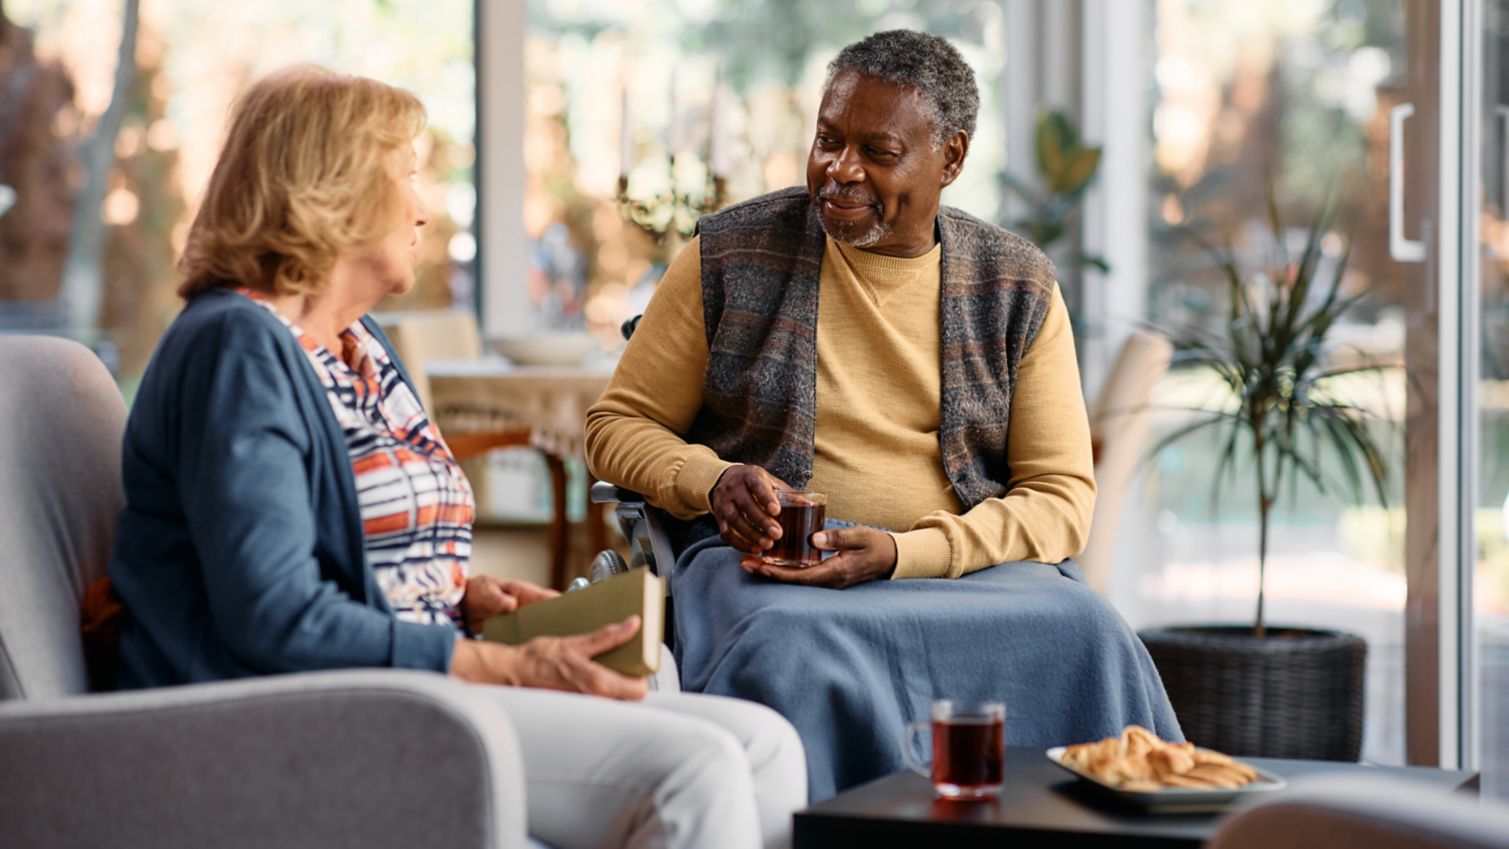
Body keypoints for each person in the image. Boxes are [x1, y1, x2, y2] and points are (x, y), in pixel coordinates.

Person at [108, 66, 805, 849]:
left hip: (399, 684)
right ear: (331, 186)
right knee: (696, 768)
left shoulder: (358, 340)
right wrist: (499, 662)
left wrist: (464, 595)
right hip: (299, 713)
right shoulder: (234, 347)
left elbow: (351, 548)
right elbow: (276, 615)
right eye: (408, 174)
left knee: (765, 743)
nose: (424, 209)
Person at [586, 30, 1181, 801]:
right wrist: (711, 478)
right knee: (782, 647)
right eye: (828, 140)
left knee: (1090, 633)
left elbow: (1061, 500)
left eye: (877, 150)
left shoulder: (1017, 284)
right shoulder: (727, 255)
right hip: (776, 577)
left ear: (951, 159)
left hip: (961, 569)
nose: (839, 171)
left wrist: (905, 553)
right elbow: (616, 427)